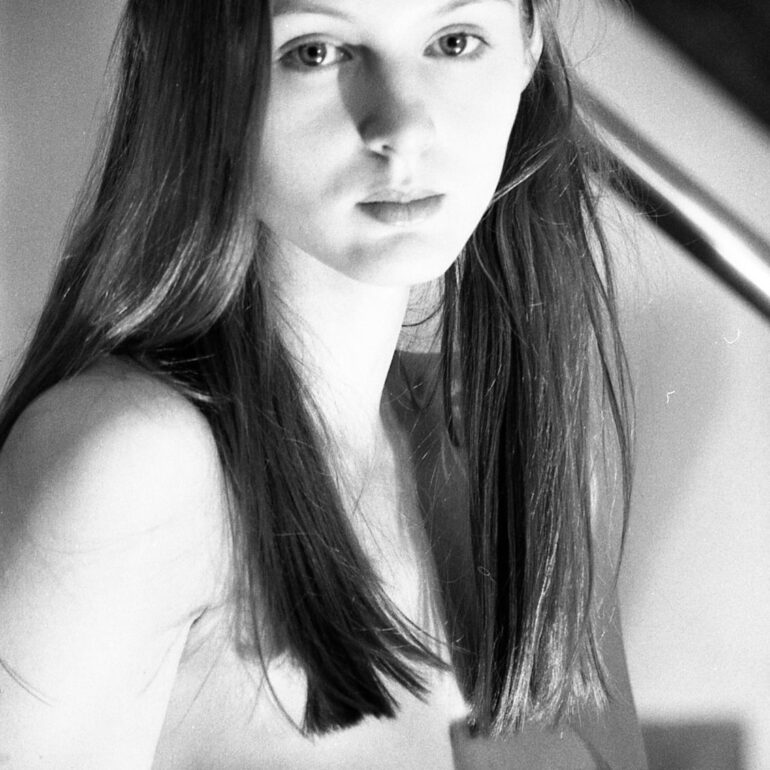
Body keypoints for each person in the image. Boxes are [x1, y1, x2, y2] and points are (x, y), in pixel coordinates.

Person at [0, 0, 648, 767]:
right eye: (316, 51)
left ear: (529, 49)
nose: (404, 126)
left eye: (454, 41)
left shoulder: (502, 455)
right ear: (205, 78)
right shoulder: (133, 469)